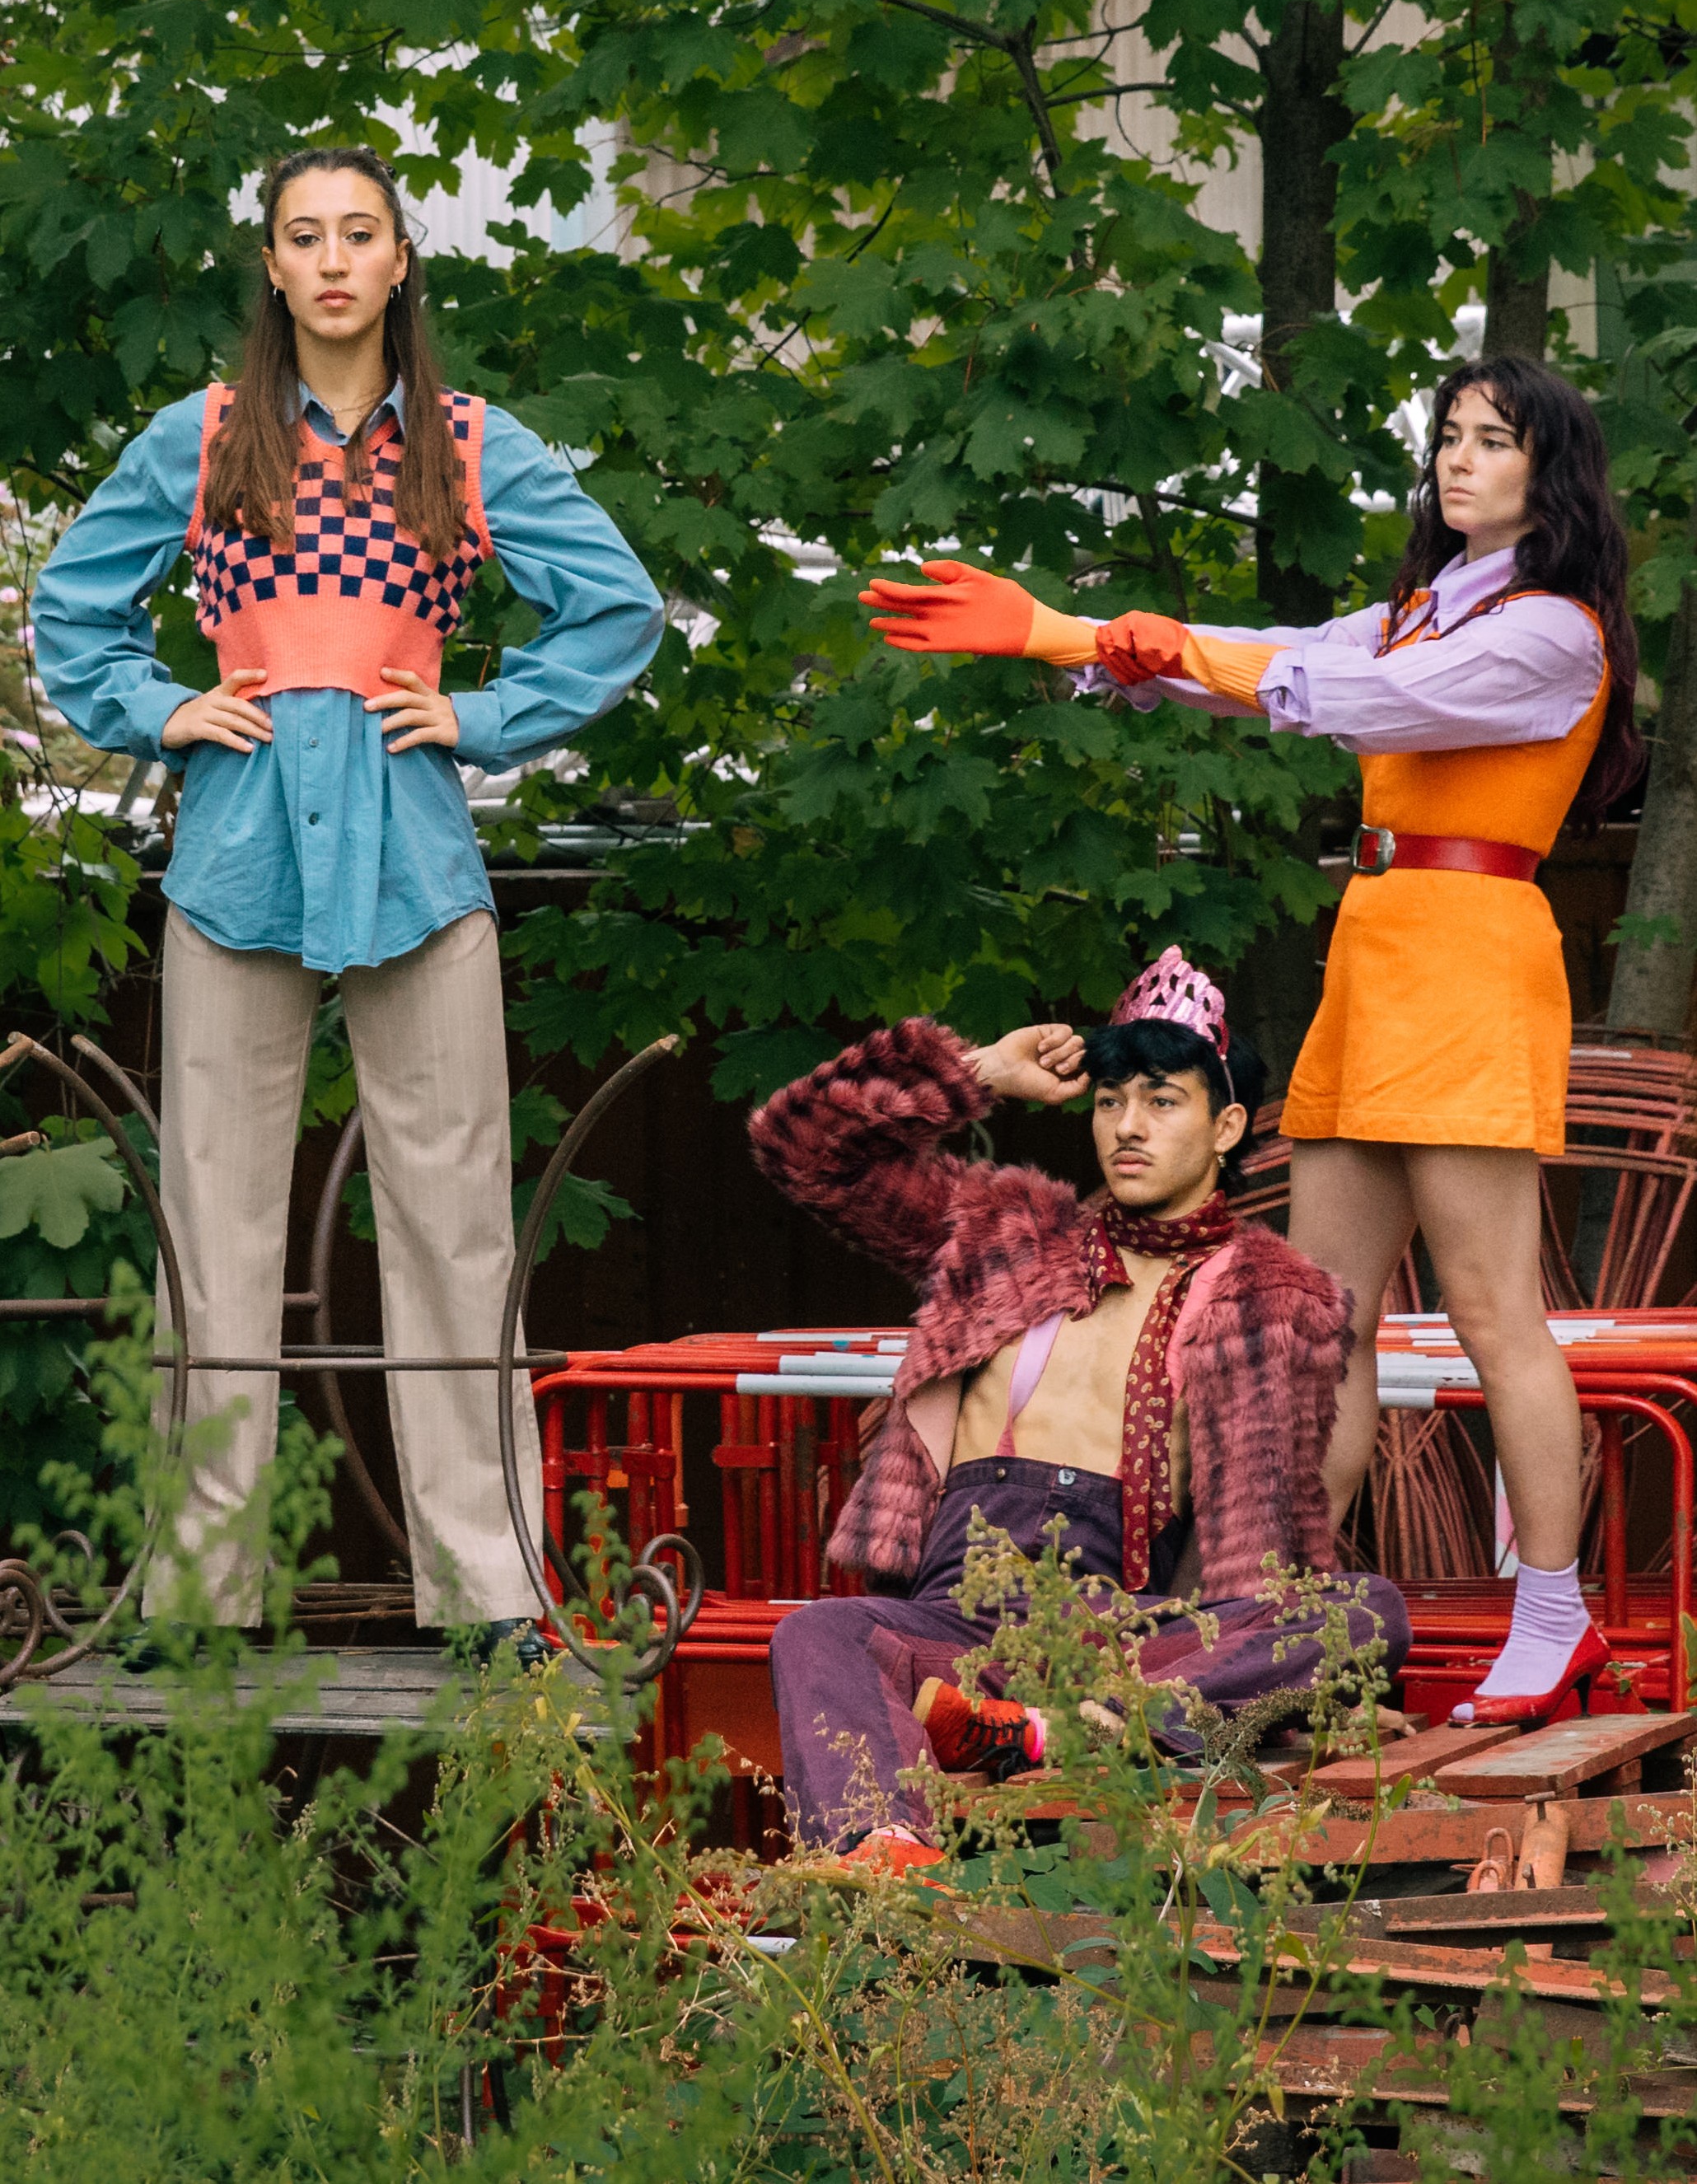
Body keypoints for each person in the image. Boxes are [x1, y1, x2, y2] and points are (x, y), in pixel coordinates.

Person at [862, 355, 1640, 1729]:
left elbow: (1358, 698)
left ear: (1551, 471)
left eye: (1493, 440)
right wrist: (1082, 636)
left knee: (1492, 1313)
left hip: (1472, 952)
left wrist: (1132, 640)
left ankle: (1553, 1615)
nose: (1459, 461)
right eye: (1449, 436)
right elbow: (1282, 659)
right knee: (1320, 1320)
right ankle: (1284, 1613)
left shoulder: (1553, 632)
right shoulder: (1419, 606)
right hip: (1381, 946)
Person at [32, 146, 664, 1653]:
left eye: (358, 232)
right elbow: (71, 606)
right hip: (233, 858)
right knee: (212, 1223)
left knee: (458, 1223)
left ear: (399, 260)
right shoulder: (203, 437)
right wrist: (160, 708)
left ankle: (492, 1589)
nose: (330, 259)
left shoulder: (468, 441)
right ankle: (201, 1590)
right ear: (271, 264)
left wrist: (486, 716)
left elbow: (618, 604)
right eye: (303, 235)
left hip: (420, 859)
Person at [749, 952, 1409, 1867]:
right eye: (1109, 1101)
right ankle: (886, 1850)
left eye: (1161, 1101)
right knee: (815, 1633)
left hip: (1117, 1645)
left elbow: (1261, 1550)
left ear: (1225, 1126)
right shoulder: (1002, 1232)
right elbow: (803, 1147)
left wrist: (1286, 1688)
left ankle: (1067, 1731)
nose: (1127, 1127)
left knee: (1362, 1612)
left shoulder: (1266, 1295)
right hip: (959, 1629)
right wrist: (981, 1070)